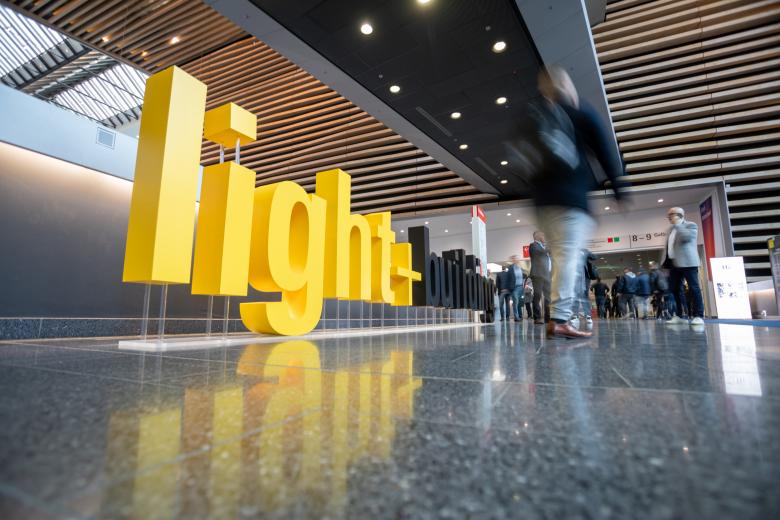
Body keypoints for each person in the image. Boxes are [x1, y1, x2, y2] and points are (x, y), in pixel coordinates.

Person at [523, 66, 626, 338]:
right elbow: (605, 150)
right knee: (568, 256)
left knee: (562, 256)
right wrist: (619, 187)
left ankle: (559, 316)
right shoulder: (580, 113)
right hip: (571, 200)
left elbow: (525, 158)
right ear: (566, 85)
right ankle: (559, 319)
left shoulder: (537, 117)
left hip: (543, 203)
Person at [662, 206, 705, 326]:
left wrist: (678, 225)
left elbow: (686, 238)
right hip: (674, 264)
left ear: (679, 215)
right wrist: (665, 263)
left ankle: (698, 316)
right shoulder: (670, 229)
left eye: (671, 215)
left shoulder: (691, 225)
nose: (668, 217)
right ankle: (680, 316)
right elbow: (669, 248)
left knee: (694, 288)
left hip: (688, 263)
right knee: (675, 290)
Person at [528, 230, 551, 325]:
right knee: (537, 295)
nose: (544, 237)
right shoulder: (533, 246)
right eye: (543, 235)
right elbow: (538, 253)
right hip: (538, 274)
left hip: (546, 275)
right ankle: (537, 318)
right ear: (538, 236)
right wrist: (549, 248)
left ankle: (548, 318)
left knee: (548, 297)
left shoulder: (543, 247)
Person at [509, 255, 525, 321]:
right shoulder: (510, 268)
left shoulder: (520, 267)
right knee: (515, 302)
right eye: (514, 258)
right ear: (512, 260)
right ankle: (516, 317)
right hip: (515, 288)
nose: (516, 260)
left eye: (517, 258)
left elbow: (523, 277)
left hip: (521, 287)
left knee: (520, 302)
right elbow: (508, 278)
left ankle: (520, 316)